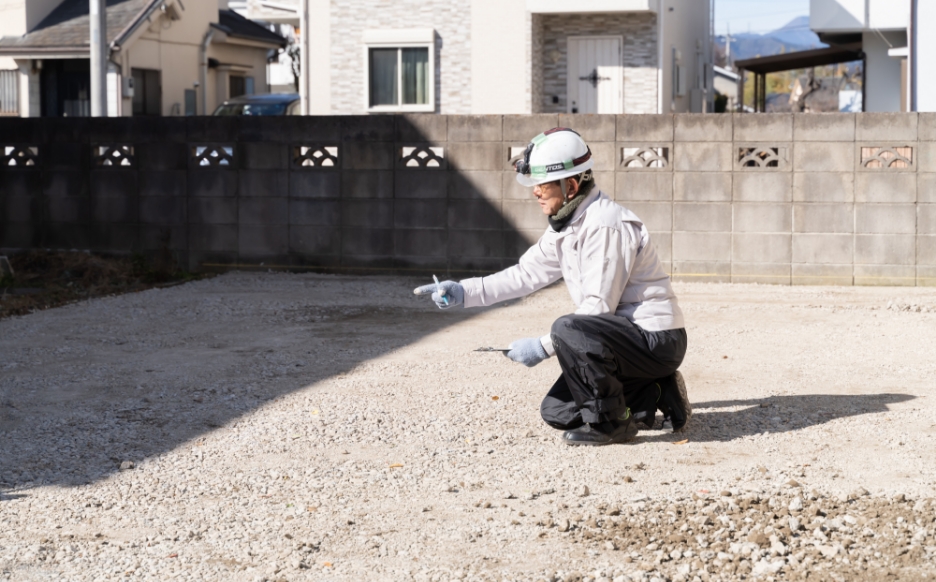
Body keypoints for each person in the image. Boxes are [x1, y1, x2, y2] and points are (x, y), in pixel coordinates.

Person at [415, 128, 689, 446]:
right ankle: (654, 390)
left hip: (655, 340)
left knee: (568, 327)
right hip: (623, 342)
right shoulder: (567, 224)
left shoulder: (605, 226)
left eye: (541, 184)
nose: (535, 192)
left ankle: (613, 425)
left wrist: (543, 346)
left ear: (570, 185)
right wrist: (464, 291)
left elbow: (598, 308)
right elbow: (525, 274)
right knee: (558, 412)